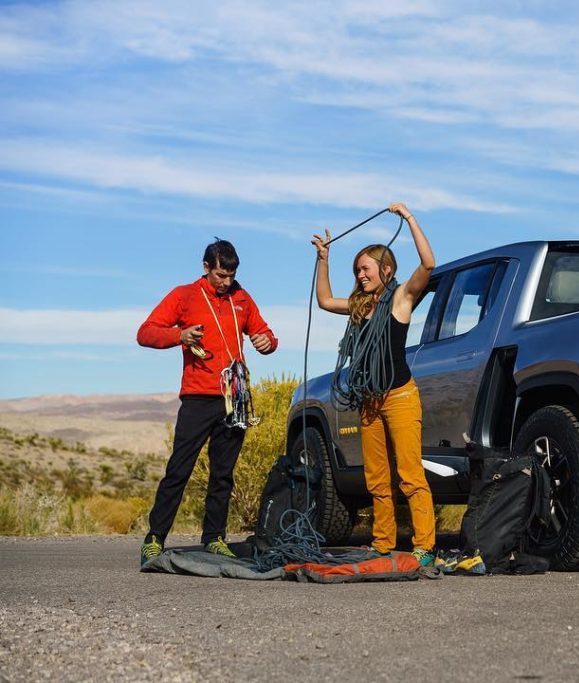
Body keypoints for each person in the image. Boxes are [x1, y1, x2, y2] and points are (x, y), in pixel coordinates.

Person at [137, 239, 278, 566]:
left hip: (235, 398)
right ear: (206, 268)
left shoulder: (242, 297)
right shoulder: (184, 295)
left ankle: (214, 538)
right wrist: (179, 336)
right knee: (179, 469)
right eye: (220, 275)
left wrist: (266, 342)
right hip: (198, 397)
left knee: (223, 474)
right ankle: (154, 538)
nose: (226, 282)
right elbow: (145, 333)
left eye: (231, 276)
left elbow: (266, 334)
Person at [310, 202, 437, 566]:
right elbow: (324, 300)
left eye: (365, 269)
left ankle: (425, 547)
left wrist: (410, 218)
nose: (360, 275)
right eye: (357, 270)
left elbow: (429, 264)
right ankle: (383, 542)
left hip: (399, 396)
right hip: (369, 400)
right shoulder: (359, 305)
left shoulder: (401, 298)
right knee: (377, 478)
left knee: (410, 474)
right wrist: (323, 260)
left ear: (386, 269)